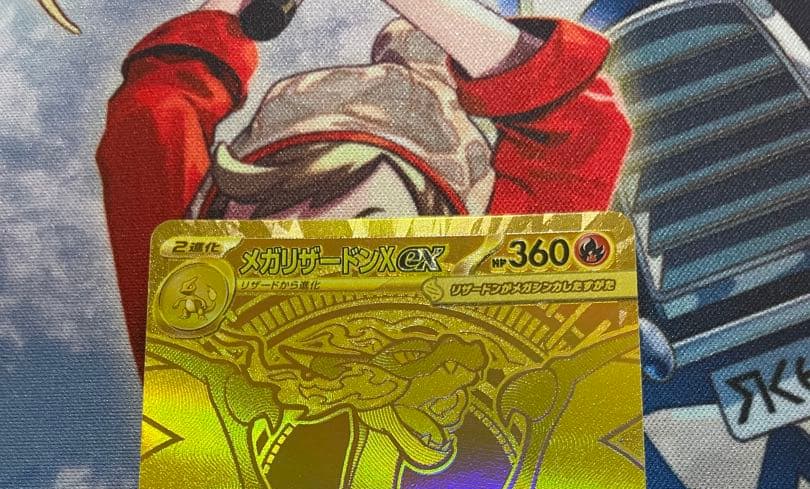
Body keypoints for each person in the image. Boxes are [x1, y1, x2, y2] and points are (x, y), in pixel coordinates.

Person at [98, 0, 632, 376]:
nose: (315, 255)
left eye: (366, 229)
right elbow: (148, 124)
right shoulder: (199, 315)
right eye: (279, 216)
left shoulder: (485, 319)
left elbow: (587, 130)